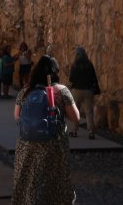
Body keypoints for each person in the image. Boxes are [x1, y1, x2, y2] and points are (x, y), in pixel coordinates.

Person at [13, 54, 79, 205]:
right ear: (55, 71)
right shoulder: (61, 91)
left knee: (29, 182)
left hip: (26, 145)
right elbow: (75, 117)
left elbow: (16, 116)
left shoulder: (25, 92)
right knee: (54, 182)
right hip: (53, 144)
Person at [68, 46, 102, 139]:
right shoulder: (89, 64)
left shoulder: (74, 65)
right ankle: (91, 132)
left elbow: (71, 79)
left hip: (77, 90)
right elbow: (94, 77)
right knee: (89, 112)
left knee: (75, 111)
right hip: (88, 90)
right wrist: (96, 89)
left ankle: (74, 131)